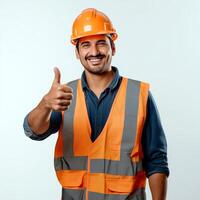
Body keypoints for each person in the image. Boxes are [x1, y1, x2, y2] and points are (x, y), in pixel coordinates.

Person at [23, 8, 169, 200]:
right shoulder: (65, 95)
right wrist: (46, 104)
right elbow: (34, 131)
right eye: (85, 45)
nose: (94, 52)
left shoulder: (139, 95)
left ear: (113, 48)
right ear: (77, 52)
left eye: (101, 43)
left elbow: (156, 161)